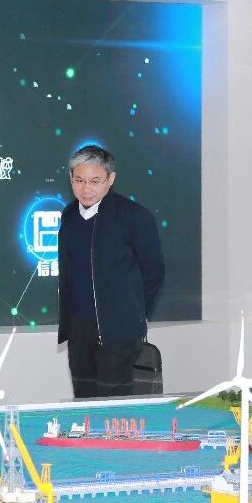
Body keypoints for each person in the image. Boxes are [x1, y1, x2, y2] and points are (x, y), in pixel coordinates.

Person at [58, 144, 165, 398]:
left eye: (95, 181)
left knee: (114, 403)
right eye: (79, 180)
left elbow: (153, 270)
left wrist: (136, 313)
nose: (86, 189)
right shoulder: (69, 216)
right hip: (80, 328)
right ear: (71, 179)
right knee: (84, 399)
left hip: (119, 329)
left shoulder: (133, 216)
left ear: (111, 179)